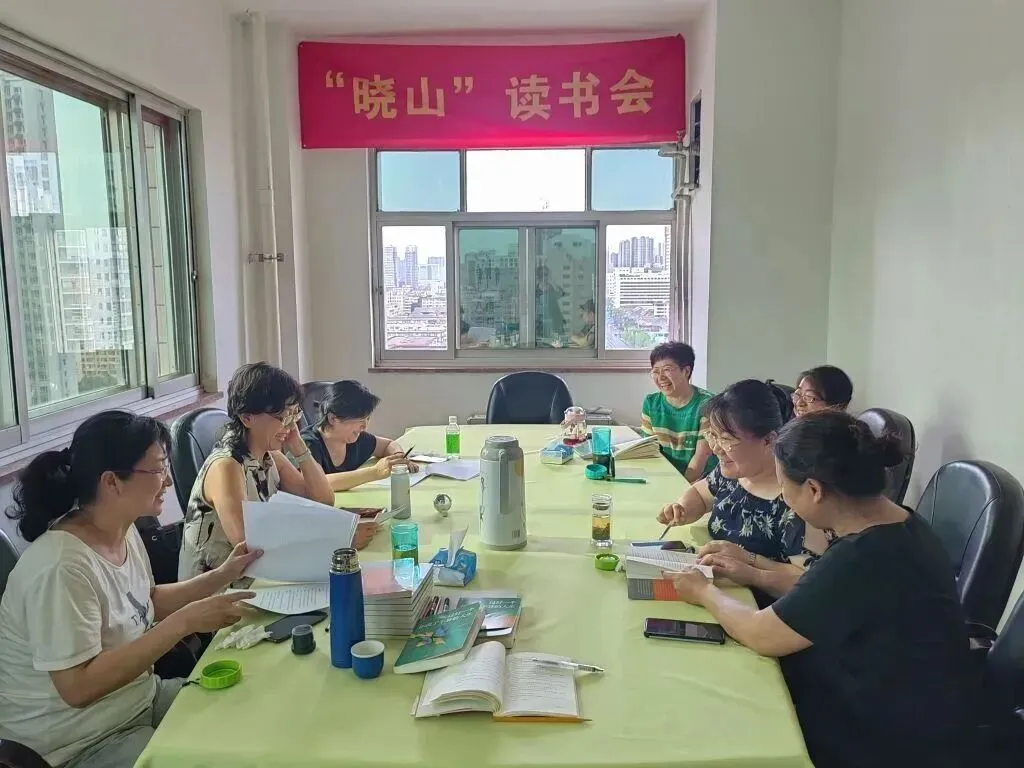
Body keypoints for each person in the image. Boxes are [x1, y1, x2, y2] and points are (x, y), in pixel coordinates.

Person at [666, 411, 976, 768]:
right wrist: (752, 565)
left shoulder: (862, 557)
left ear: (814, 490)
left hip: (876, 731)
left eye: (785, 487)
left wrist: (702, 591)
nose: (784, 497)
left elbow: (761, 634)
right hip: (912, 700)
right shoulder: (899, 522)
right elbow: (819, 589)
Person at [0, 411, 259, 768]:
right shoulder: (61, 567)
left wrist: (223, 574)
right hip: (79, 743)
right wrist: (184, 622)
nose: (168, 480)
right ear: (112, 482)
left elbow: (144, 601)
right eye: (158, 469)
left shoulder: (121, 529)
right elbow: (77, 687)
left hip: (137, 702)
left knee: (252, 712)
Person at [178, 362, 340, 581]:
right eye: (283, 417)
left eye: (294, 414)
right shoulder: (226, 466)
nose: (290, 426)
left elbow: (323, 500)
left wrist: (299, 446)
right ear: (246, 417)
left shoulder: (270, 457)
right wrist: (331, 539)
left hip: (258, 577)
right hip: (218, 589)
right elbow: (248, 546)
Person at [656, 379, 805, 562]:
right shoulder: (731, 474)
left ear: (768, 440)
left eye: (726, 439)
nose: (716, 449)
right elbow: (701, 495)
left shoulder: (796, 499)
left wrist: (750, 562)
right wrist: (682, 509)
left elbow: (803, 575)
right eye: (713, 436)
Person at [301, 380, 418, 492]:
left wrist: (398, 457)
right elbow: (314, 483)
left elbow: (388, 444)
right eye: (360, 420)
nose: (365, 426)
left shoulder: (356, 438)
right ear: (332, 418)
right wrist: (375, 472)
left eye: (367, 419)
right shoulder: (307, 444)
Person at [640, 342, 715, 481]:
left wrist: (680, 488)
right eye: (656, 371)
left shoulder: (708, 404)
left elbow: (702, 456)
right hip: (666, 477)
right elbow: (649, 450)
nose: (661, 377)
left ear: (686, 371)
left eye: (667, 370)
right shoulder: (651, 403)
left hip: (702, 481)